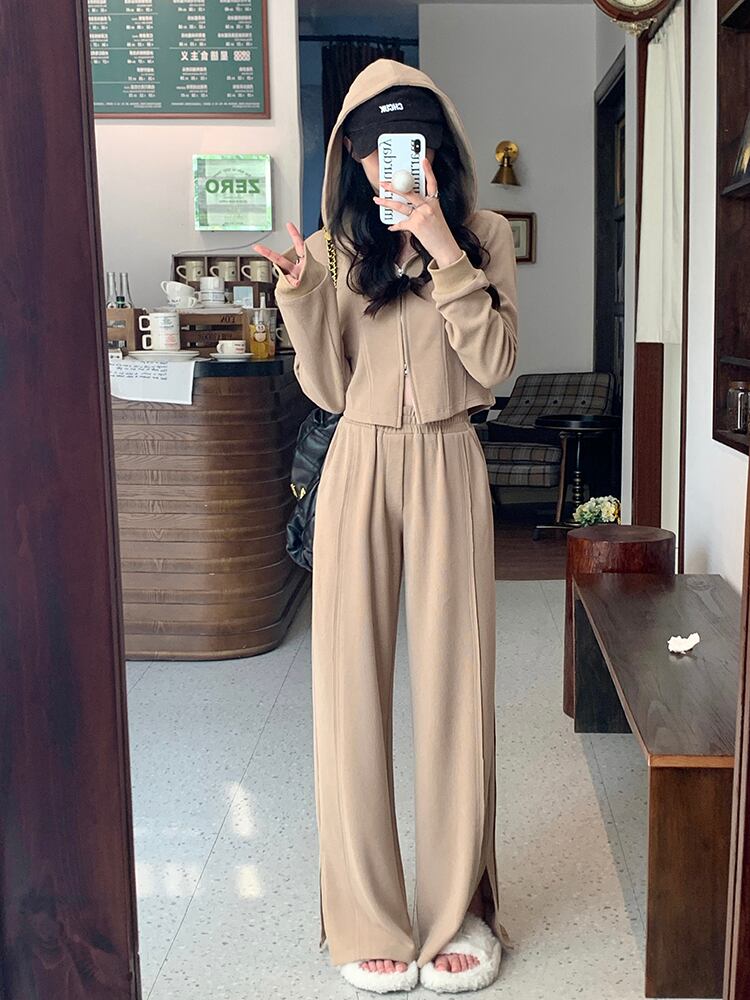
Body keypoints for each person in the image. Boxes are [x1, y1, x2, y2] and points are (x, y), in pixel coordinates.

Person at [253, 58, 518, 995]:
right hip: (357, 464)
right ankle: (365, 914)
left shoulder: (484, 234)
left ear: (435, 147)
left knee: (458, 690)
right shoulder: (333, 249)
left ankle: (458, 911)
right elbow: (328, 388)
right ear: (352, 157)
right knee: (348, 695)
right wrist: (299, 296)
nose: (389, 165)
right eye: (371, 150)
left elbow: (497, 368)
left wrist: (443, 248)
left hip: (450, 458)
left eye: (407, 144)